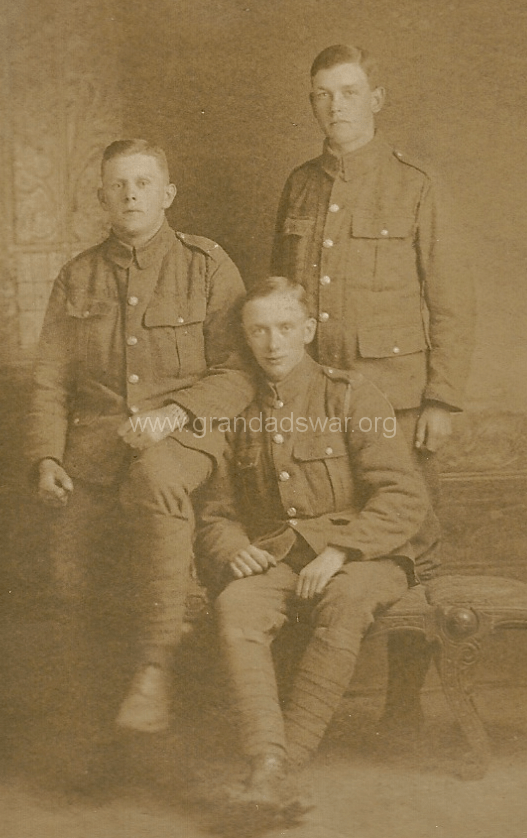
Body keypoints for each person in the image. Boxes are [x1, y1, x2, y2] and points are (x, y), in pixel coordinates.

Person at [271, 44, 476, 721]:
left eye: (349, 92)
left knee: (410, 546)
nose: (336, 107)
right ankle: (307, 703)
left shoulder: (414, 183)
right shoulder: (300, 184)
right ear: (313, 103)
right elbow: (280, 302)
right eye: (323, 94)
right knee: (311, 537)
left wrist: (441, 399)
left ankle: (402, 705)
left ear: (375, 99)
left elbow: (450, 300)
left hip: (397, 401)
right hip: (318, 405)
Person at [196, 277, 439, 823]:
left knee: (346, 602)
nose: (272, 343)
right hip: (280, 556)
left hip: (369, 558)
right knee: (237, 606)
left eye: (285, 328)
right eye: (258, 330)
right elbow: (214, 512)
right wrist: (232, 547)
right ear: (245, 336)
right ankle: (266, 763)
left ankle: (280, 771)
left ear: (307, 331)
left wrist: (343, 551)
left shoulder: (351, 393)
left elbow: (403, 497)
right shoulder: (234, 408)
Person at [28, 139, 250, 735]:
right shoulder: (77, 277)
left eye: (144, 183)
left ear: (167, 193)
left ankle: (155, 670)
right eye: (118, 185)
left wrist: (175, 414)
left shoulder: (206, 266)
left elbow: (238, 368)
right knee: (70, 571)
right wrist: (49, 458)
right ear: (102, 198)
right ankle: (89, 726)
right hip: (97, 453)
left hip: (186, 440)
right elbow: (51, 380)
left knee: (156, 476)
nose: (131, 194)